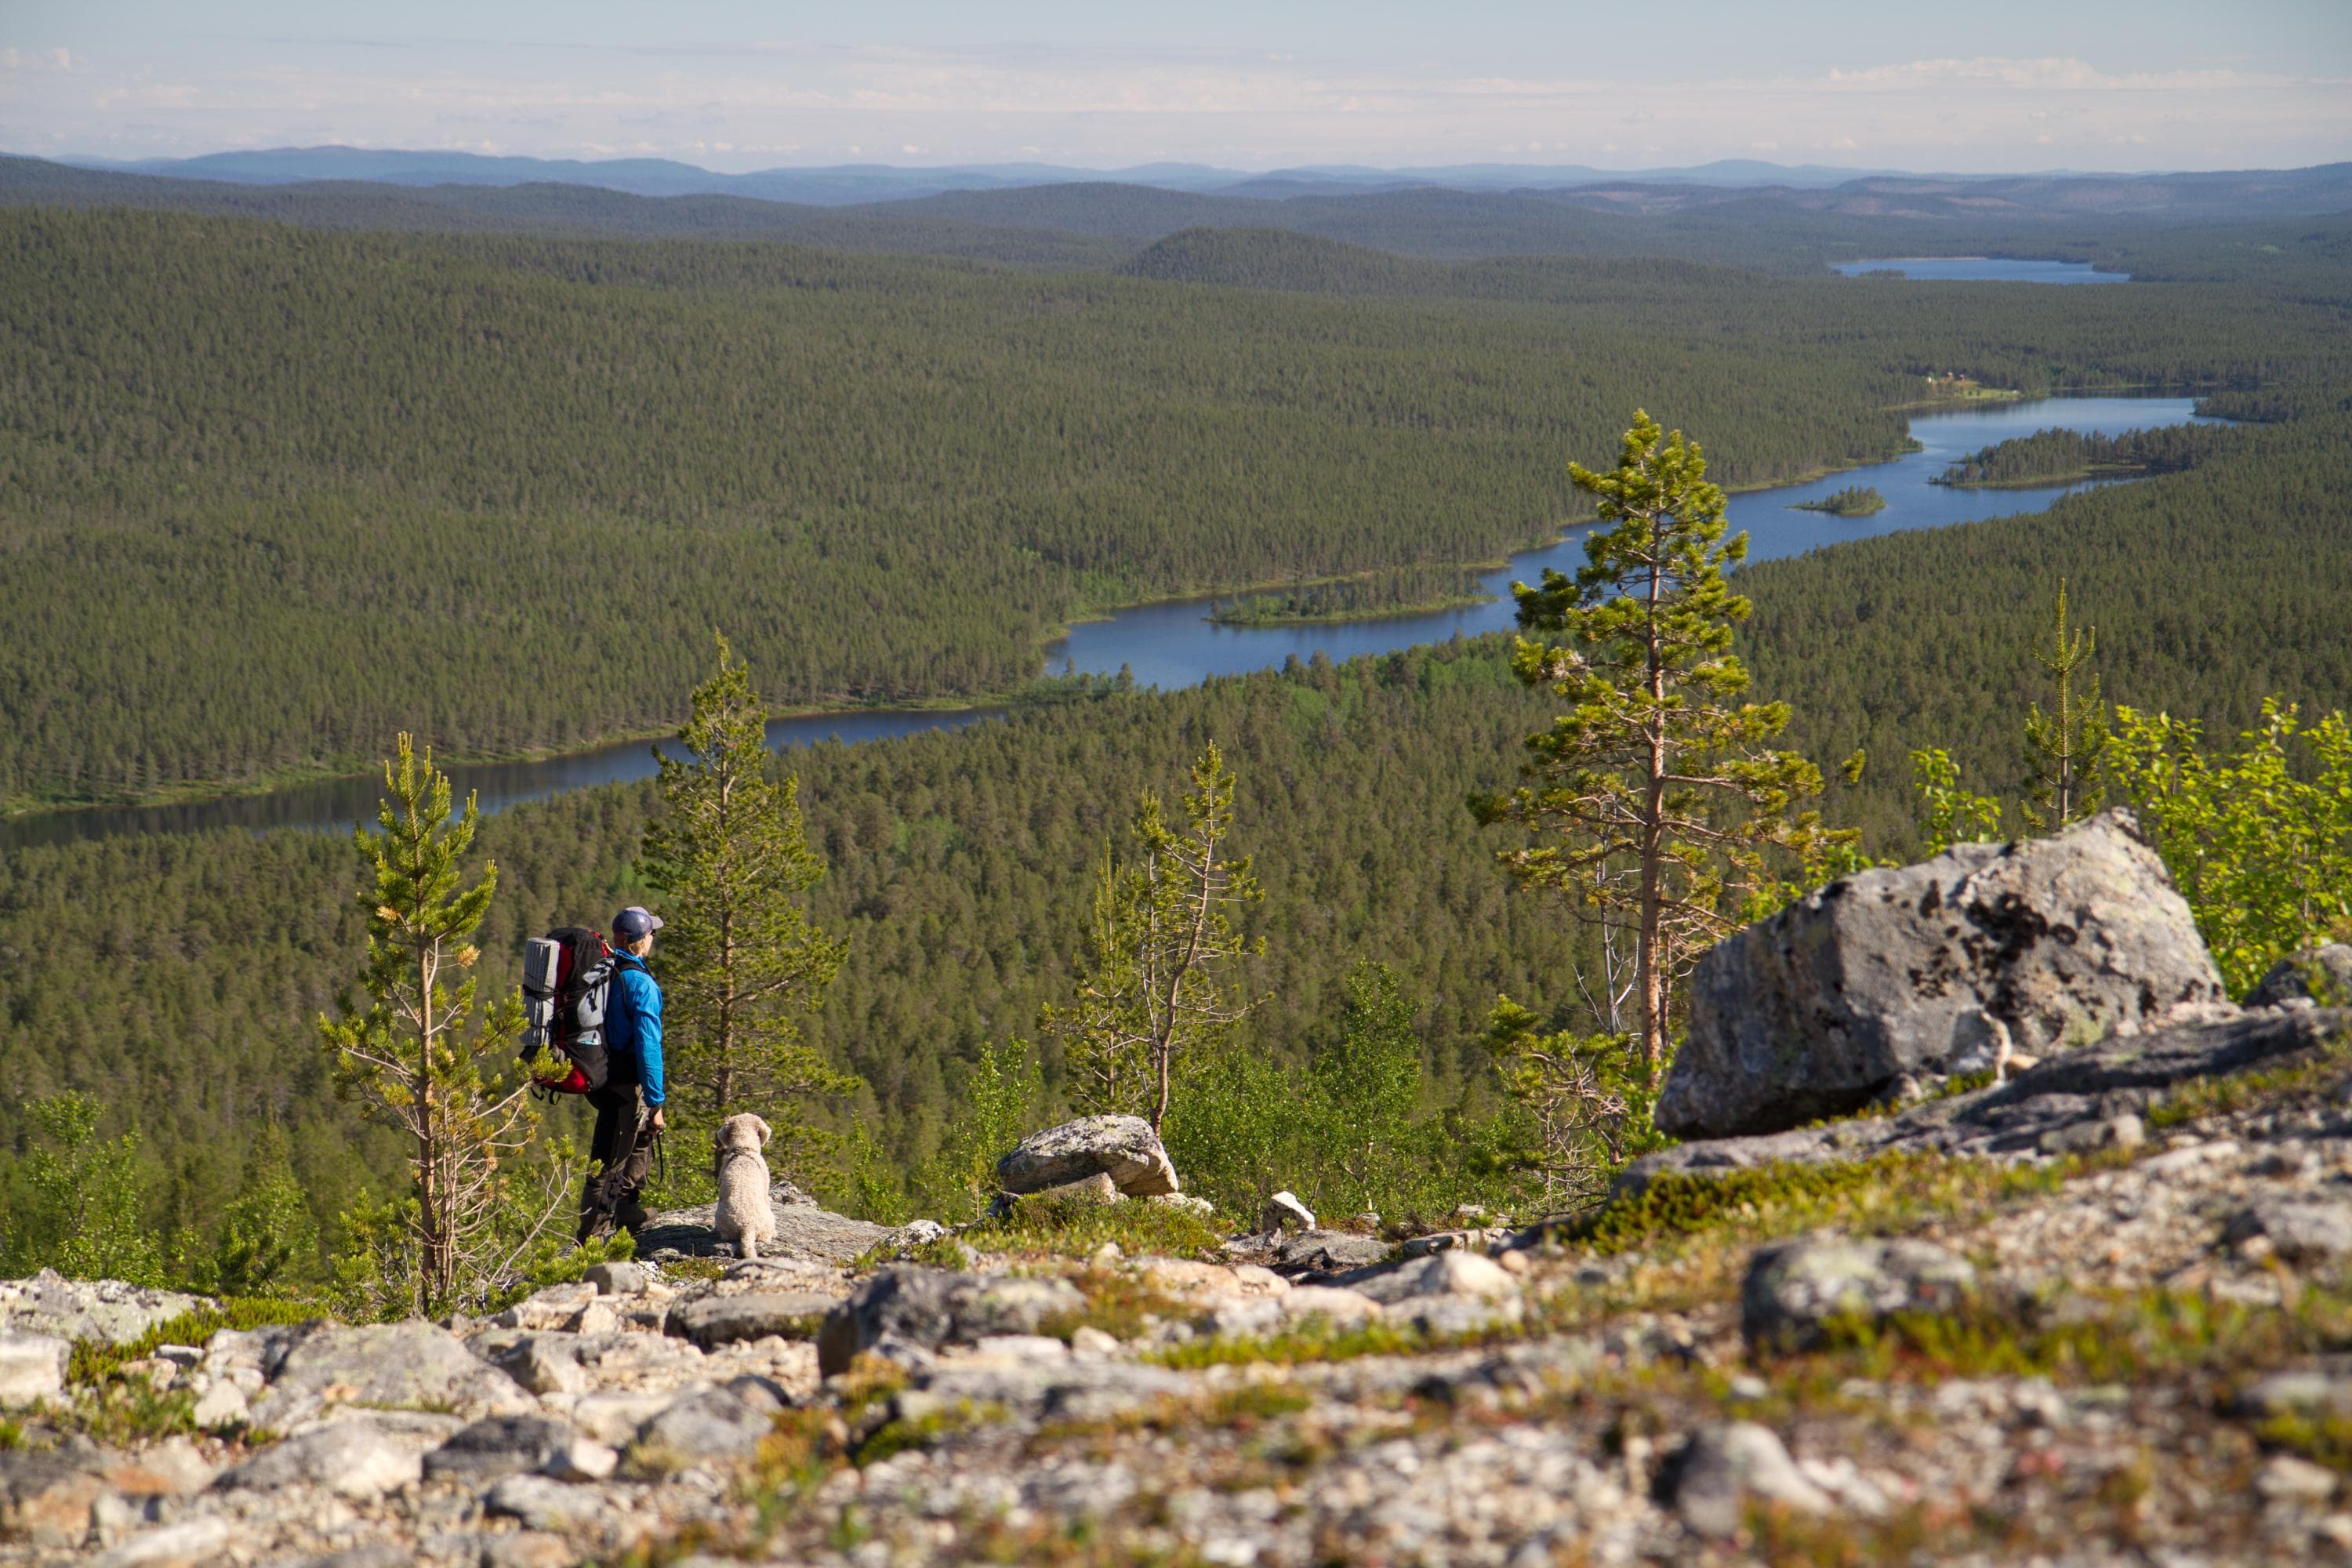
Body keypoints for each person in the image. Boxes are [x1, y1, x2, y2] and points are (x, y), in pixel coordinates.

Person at [579, 905, 666, 1241]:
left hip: (599, 1076)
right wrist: (656, 1102)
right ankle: (593, 1237)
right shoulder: (640, 983)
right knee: (611, 1159)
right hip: (627, 1082)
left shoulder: (602, 971)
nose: (653, 938)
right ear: (640, 941)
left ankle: (629, 1208)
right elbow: (648, 1046)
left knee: (635, 1138)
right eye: (651, 934)